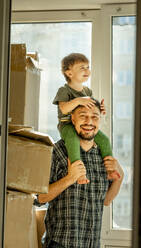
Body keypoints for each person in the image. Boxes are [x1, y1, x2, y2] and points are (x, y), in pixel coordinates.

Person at [35, 99, 124, 248]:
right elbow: (38, 198)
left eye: (94, 116)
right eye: (83, 115)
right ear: (72, 119)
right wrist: (70, 178)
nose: (89, 122)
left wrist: (120, 177)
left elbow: (106, 201)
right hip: (60, 244)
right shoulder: (56, 152)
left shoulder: (103, 155)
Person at [52, 53, 114, 184]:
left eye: (88, 67)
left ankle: (109, 169)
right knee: (73, 140)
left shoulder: (88, 91)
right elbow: (64, 108)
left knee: (104, 139)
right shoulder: (64, 90)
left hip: (82, 125)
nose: (87, 70)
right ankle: (78, 172)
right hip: (67, 125)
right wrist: (79, 100)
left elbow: (92, 107)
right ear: (69, 73)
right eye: (82, 68)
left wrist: (100, 108)